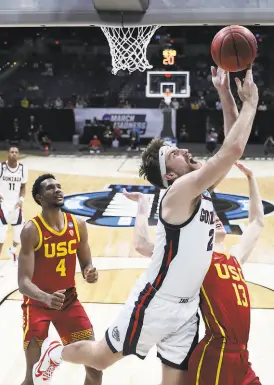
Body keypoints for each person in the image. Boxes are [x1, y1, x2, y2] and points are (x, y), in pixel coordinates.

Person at [32, 68, 259, 385]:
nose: (183, 150)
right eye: (174, 154)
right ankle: (57, 353)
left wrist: (224, 93)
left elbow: (233, 142)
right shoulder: (178, 194)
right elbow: (231, 150)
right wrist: (250, 104)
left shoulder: (200, 191)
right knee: (101, 357)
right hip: (156, 302)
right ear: (169, 175)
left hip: (187, 308)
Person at [123, 160, 263, 385]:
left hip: (241, 357)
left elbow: (256, 222)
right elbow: (142, 245)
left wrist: (251, 178)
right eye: (212, 220)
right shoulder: (195, 258)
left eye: (218, 218)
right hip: (216, 352)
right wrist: (142, 205)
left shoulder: (234, 258)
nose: (216, 219)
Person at [18, 174, 102, 385]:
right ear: (39, 198)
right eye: (50, 188)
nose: (57, 190)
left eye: (58, 186)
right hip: (37, 305)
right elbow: (23, 282)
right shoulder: (31, 230)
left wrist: (89, 271)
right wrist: (45, 298)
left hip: (68, 302)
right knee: (34, 376)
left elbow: (86, 263)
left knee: (95, 367)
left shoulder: (78, 224)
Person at [0, 146, 28, 262]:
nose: (14, 154)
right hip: (3, 205)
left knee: (20, 236)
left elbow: (23, 187)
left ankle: (12, 249)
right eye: (12, 152)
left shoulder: (22, 169)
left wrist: (21, 199)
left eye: (16, 152)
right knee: (1, 237)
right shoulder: (1, 167)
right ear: (8, 154)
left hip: (16, 206)